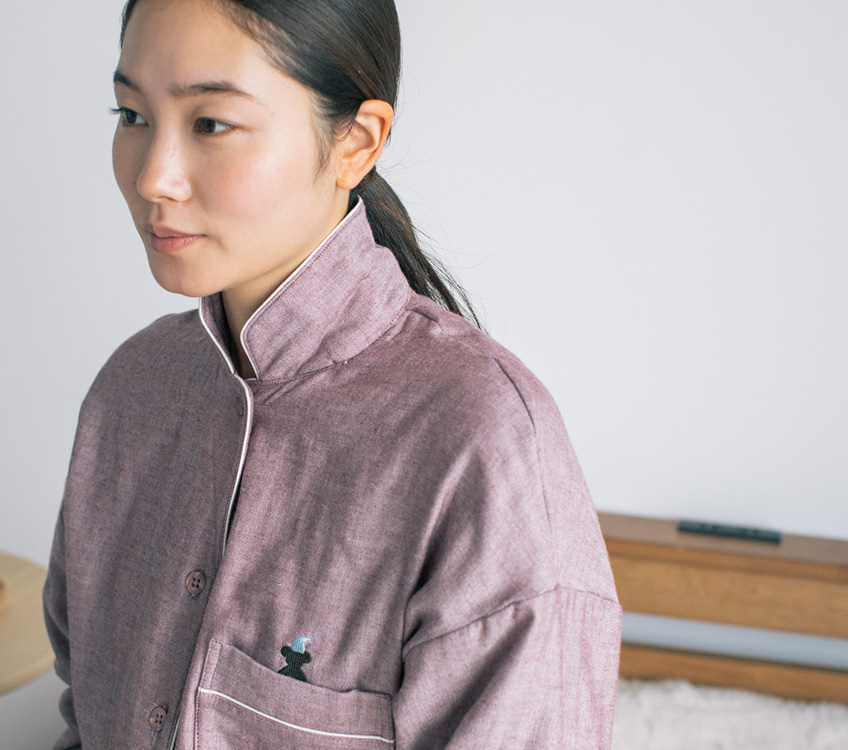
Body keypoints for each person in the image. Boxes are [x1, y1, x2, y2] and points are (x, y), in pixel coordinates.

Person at [42, 0, 622, 747]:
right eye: (132, 116)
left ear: (356, 141)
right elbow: (87, 714)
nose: (154, 177)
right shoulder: (132, 392)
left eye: (211, 123)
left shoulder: (483, 442)